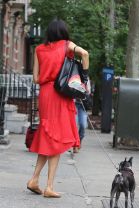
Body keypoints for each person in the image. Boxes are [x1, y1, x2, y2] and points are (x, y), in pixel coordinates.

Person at [27, 18, 89, 198]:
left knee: (48, 137)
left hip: (45, 94)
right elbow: (84, 54)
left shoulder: (39, 49)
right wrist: (83, 79)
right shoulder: (67, 46)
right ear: (63, 32)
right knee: (58, 139)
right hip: (60, 95)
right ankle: (49, 186)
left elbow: (36, 79)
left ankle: (35, 180)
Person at [73, 80, 91, 153]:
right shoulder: (73, 75)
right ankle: (75, 145)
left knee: (83, 124)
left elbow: (88, 91)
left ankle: (79, 141)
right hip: (74, 103)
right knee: (74, 125)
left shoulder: (85, 77)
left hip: (83, 104)